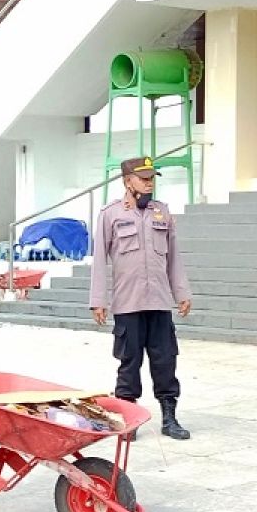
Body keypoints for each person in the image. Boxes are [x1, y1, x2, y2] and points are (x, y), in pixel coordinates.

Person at [89, 156, 193, 440]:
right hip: (128, 304)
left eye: (151, 178)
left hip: (159, 303)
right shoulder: (110, 215)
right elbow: (99, 260)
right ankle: (128, 421)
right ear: (127, 181)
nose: (149, 183)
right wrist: (98, 299)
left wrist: (181, 292)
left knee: (165, 361)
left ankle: (169, 418)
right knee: (129, 362)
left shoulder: (163, 212)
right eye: (143, 178)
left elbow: (174, 257)